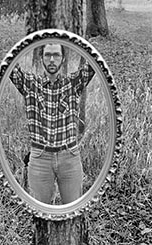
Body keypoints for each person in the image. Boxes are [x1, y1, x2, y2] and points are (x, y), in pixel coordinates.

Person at [9, 43, 95, 204]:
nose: (52, 59)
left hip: (69, 155)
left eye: (56, 55)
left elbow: (95, 64)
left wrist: (77, 41)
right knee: (40, 213)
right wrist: (28, 40)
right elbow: (9, 65)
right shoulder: (30, 84)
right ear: (41, 58)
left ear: (63, 59)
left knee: (73, 211)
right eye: (47, 55)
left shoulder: (72, 83)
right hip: (40, 157)